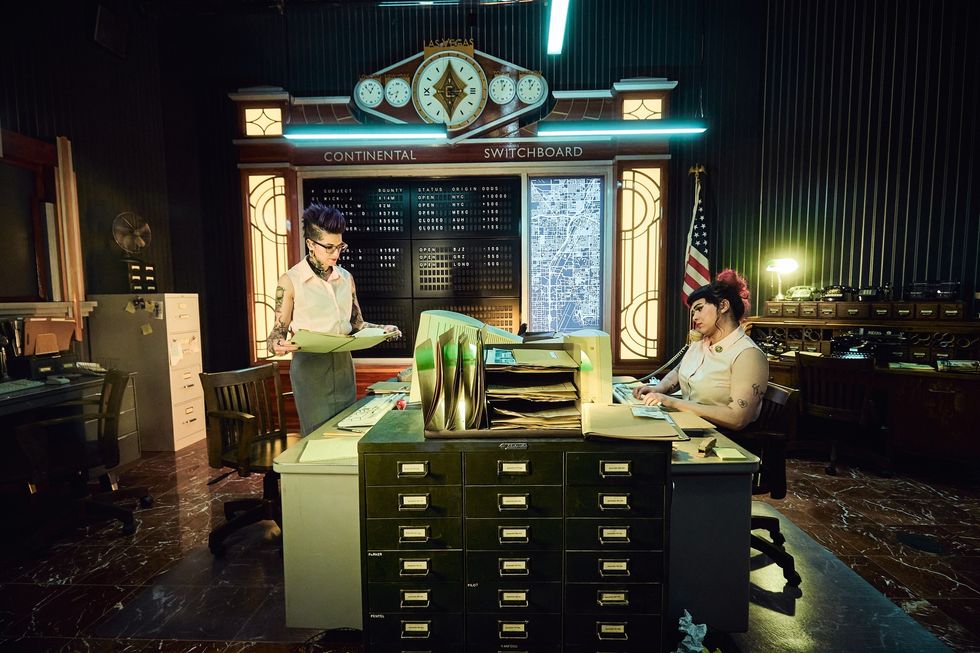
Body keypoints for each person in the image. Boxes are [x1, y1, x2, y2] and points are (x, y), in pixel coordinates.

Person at [268, 204, 400, 435]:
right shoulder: (291, 280)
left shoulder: (346, 278)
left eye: (339, 247)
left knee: (347, 430)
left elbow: (357, 324)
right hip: (310, 368)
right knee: (317, 436)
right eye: (329, 247)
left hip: (343, 365)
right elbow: (276, 334)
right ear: (311, 244)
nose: (336, 254)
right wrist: (277, 344)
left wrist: (383, 329)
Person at [633, 269, 769, 431]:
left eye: (699, 309)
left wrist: (672, 402)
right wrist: (659, 388)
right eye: (693, 312)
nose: (694, 317)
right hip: (689, 424)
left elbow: (737, 418)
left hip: (721, 435)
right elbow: (679, 371)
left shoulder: (748, 355)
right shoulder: (699, 343)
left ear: (723, 306)